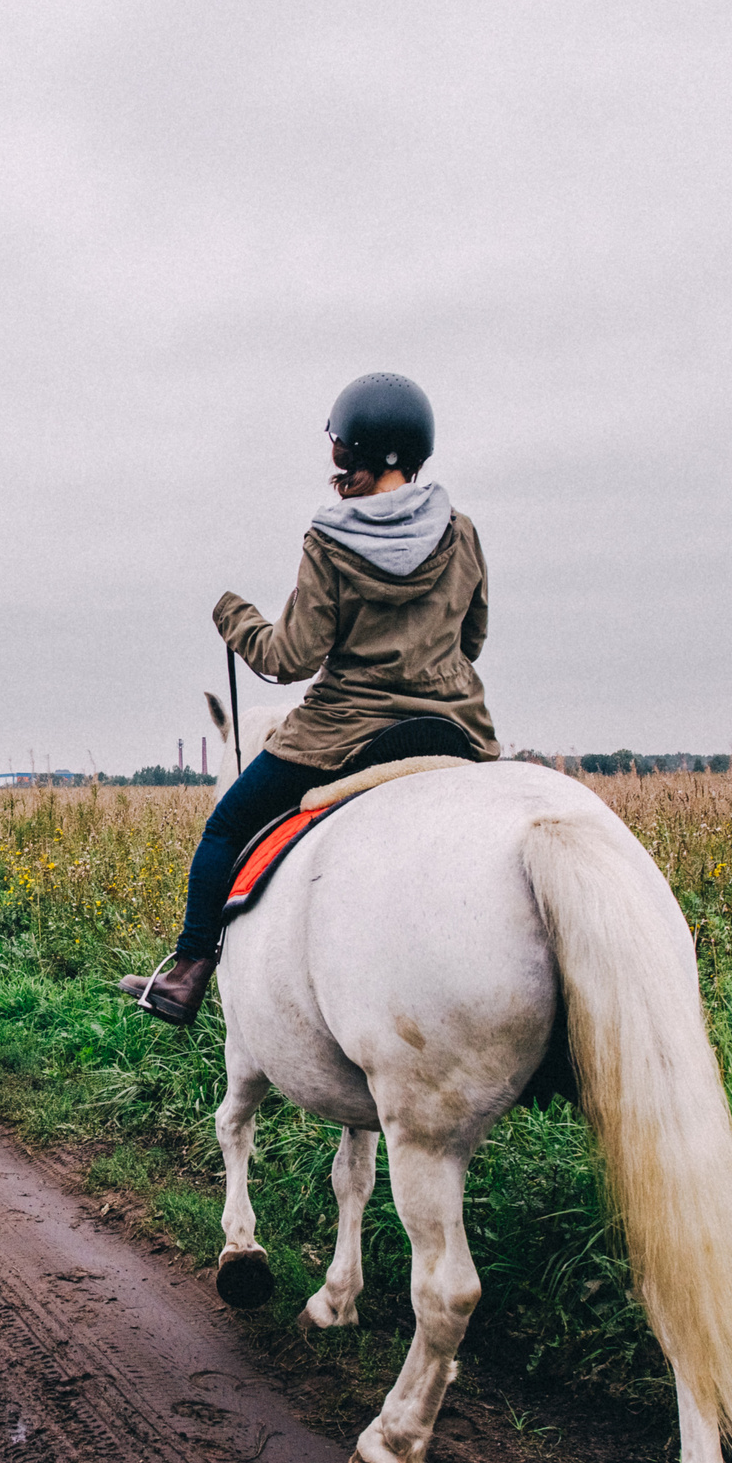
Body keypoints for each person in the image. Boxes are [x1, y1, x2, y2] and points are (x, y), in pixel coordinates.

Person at [120, 372, 499, 1026]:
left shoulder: (330, 540)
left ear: (352, 450)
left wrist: (234, 616)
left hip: (344, 734)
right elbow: (473, 640)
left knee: (225, 827)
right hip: (452, 729)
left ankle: (187, 974)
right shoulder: (460, 531)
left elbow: (287, 659)